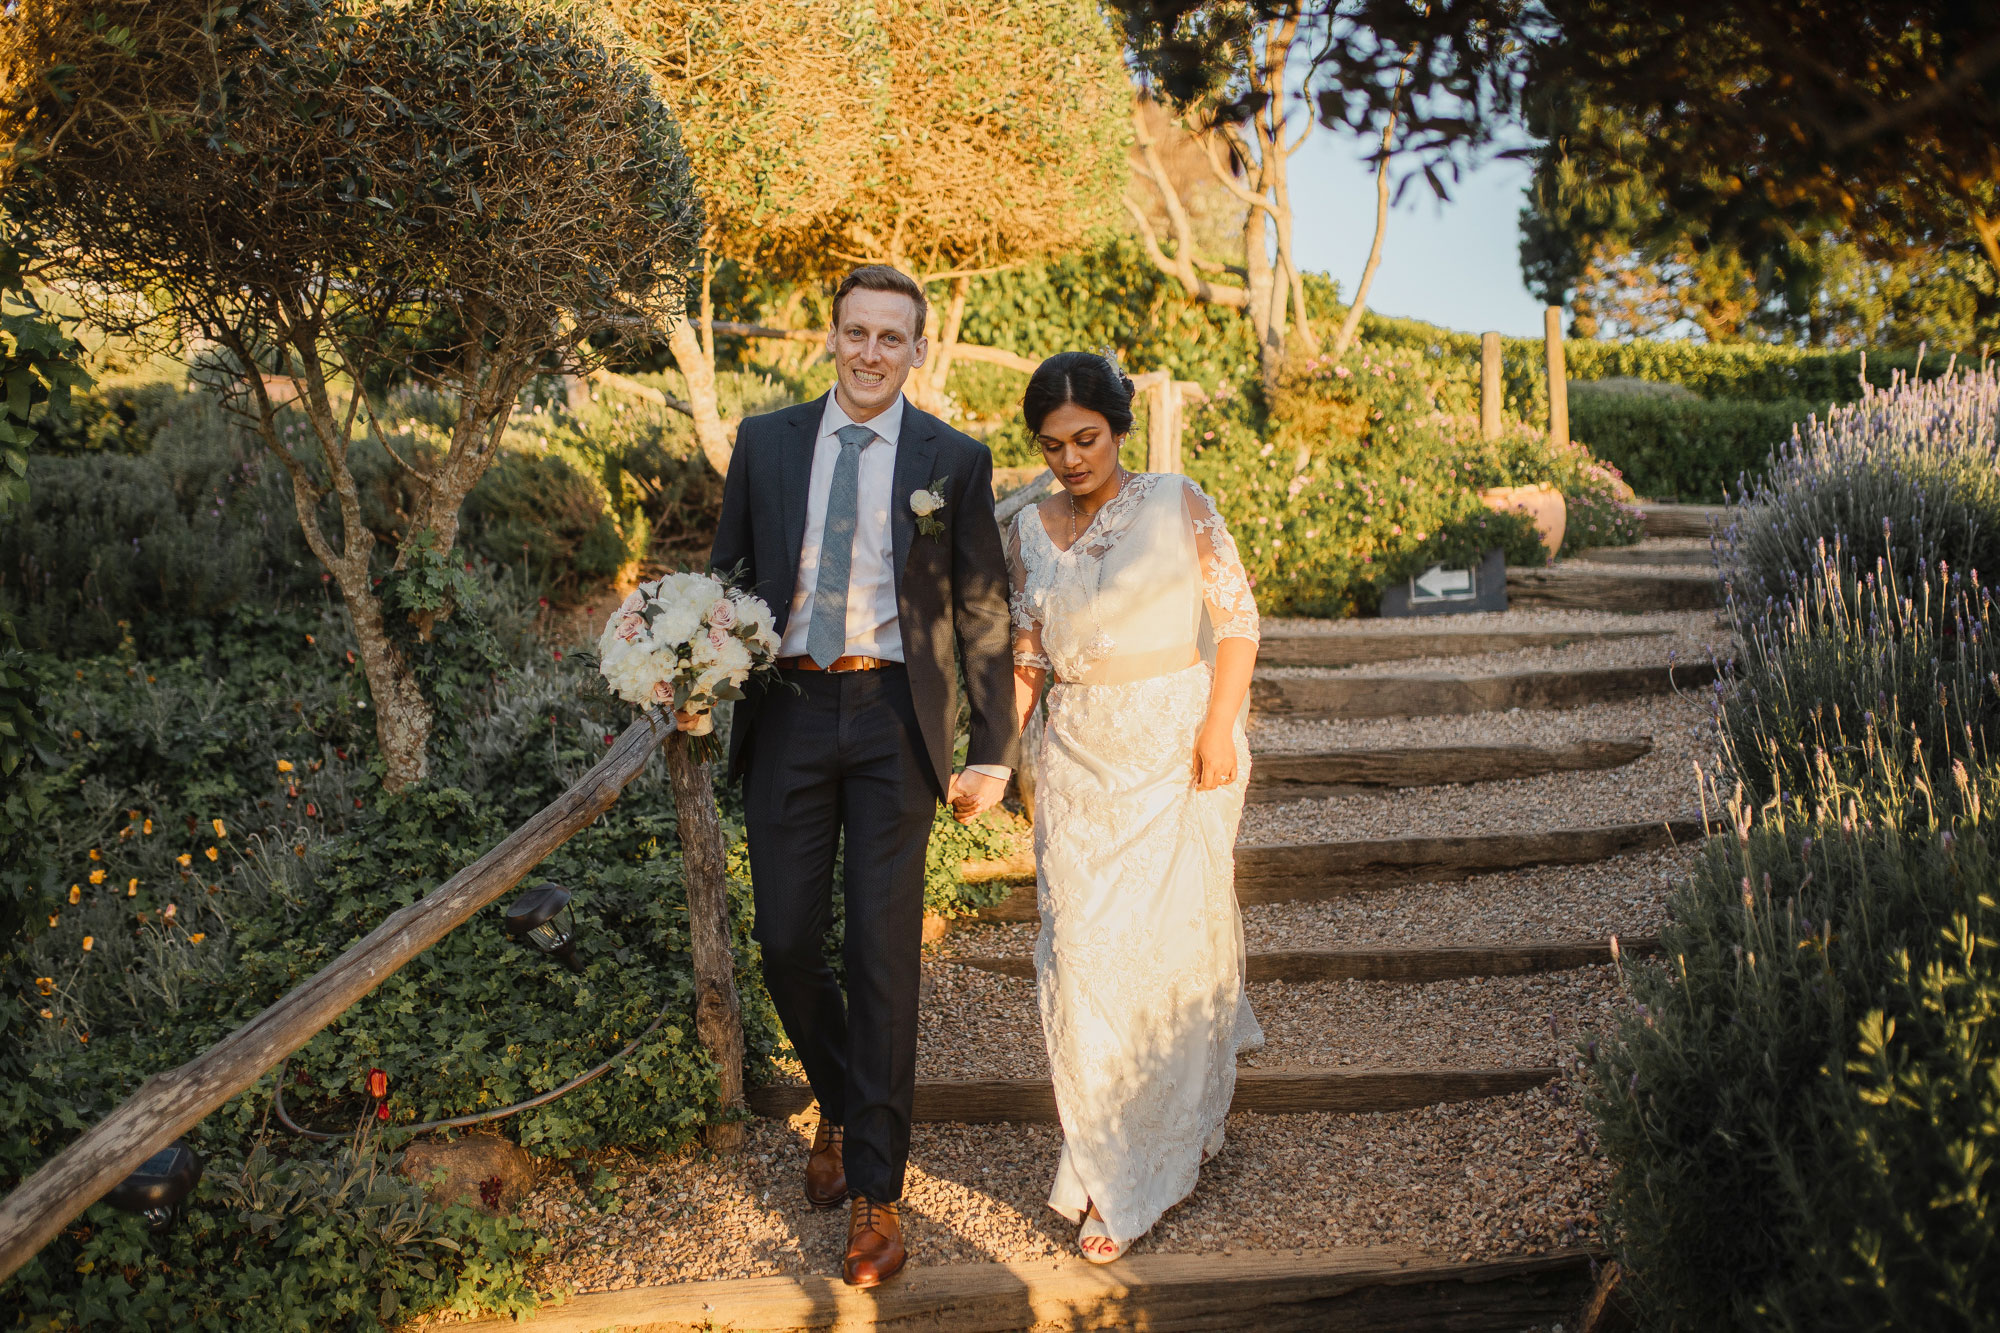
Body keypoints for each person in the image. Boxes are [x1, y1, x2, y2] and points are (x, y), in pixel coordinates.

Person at [702, 265, 1019, 1287]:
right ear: (829, 337)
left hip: (892, 719)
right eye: (856, 333)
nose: (872, 353)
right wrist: (694, 670)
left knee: (883, 956)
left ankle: (879, 1193)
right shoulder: (764, 444)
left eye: (893, 337)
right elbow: (730, 579)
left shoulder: (951, 460)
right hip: (789, 709)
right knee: (786, 937)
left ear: (918, 349)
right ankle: (838, 1099)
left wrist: (992, 747)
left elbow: (980, 608)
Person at [1004, 350, 1264, 1263]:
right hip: (1073, 765)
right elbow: (1028, 652)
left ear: (1117, 428)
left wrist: (1220, 727)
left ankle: (1124, 1173)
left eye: (1087, 438)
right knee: (1079, 959)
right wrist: (999, 756)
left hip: (1172, 748)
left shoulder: (1177, 500)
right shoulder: (1029, 526)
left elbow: (1237, 621)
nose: (1071, 459)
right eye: (1052, 445)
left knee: (1164, 953)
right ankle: (1109, 1145)